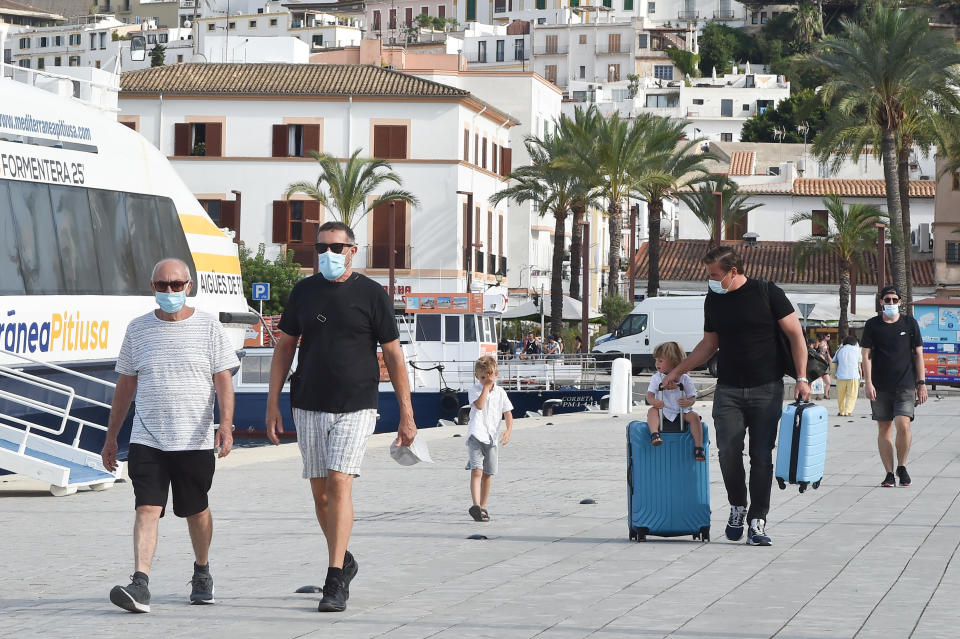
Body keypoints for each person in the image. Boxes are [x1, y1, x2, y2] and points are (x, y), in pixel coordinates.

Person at [265, 221, 417, 613]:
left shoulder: (371, 295)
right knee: (320, 495)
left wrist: (407, 414)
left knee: (339, 483)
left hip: (357, 403)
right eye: (321, 249)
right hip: (308, 402)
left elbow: (394, 355)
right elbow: (284, 348)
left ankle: (334, 579)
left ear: (353, 250)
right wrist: (272, 403)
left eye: (336, 247)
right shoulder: (303, 292)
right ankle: (344, 558)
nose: (328, 255)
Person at [101, 258, 239, 613]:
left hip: (193, 439)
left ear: (188, 286)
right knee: (147, 507)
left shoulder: (208, 328)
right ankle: (140, 582)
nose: (170, 291)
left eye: (176, 285)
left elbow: (223, 378)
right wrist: (111, 436)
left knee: (196, 510)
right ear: (153, 288)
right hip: (148, 437)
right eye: (162, 285)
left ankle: (202, 570)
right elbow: (126, 384)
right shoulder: (138, 329)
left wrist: (225, 425)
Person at [662, 246, 810, 547]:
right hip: (728, 388)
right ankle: (737, 506)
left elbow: (796, 334)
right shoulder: (713, 299)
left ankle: (758, 520)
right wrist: (678, 370)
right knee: (728, 451)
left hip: (767, 388)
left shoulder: (768, 292)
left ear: (733, 271)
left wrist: (802, 377)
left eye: (715, 275)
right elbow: (708, 344)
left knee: (760, 456)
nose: (711, 280)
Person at [861, 285, 926, 488]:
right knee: (884, 429)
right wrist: (868, 382)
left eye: (894, 300)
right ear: (881, 302)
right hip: (880, 386)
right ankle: (889, 473)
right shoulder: (872, 325)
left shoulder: (910, 323)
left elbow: (919, 355)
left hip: (905, 384)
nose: (890, 303)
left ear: (900, 302)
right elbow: (866, 355)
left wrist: (922, 383)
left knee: (903, 424)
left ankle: (902, 466)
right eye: (886, 300)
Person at [465, 355, 514, 522]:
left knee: (488, 473)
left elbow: (508, 413)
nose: (486, 379)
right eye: (483, 377)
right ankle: (476, 506)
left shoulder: (501, 393)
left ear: (496, 374)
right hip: (476, 434)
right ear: (477, 377)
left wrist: (508, 431)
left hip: (492, 437)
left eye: (489, 375)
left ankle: (483, 506)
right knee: (476, 470)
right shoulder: (475, 390)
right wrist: (485, 388)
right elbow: (479, 406)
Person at [645, 342, 705, 461]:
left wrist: (688, 402)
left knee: (695, 417)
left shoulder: (685, 378)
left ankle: (698, 447)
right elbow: (649, 395)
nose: (657, 363)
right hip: (664, 410)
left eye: (661, 361)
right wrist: (654, 402)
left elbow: (692, 397)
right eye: (656, 360)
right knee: (652, 411)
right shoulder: (656, 378)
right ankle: (654, 434)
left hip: (681, 411)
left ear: (673, 361)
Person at [833, 335, 862, 416]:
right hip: (853, 375)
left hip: (840, 375)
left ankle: (841, 411)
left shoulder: (839, 350)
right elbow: (859, 364)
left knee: (841, 395)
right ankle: (848, 411)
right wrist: (862, 375)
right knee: (852, 394)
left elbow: (834, 361)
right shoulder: (857, 350)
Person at [817, 335, 833, 399]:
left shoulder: (826, 354)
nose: (825, 348)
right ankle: (817, 396)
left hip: (825, 370)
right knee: (819, 382)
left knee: (828, 382)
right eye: (824, 346)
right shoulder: (818, 354)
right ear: (821, 347)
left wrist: (828, 354)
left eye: (826, 347)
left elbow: (831, 360)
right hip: (819, 370)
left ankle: (826, 395)